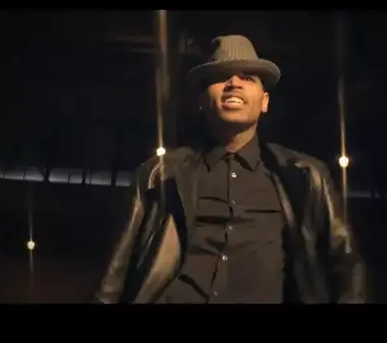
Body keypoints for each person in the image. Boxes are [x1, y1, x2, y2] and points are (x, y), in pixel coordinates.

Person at [93, 35, 366, 303]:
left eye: (247, 78)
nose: (234, 83)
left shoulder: (304, 175)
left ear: (265, 101)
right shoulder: (159, 174)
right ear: (201, 101)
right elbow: (117, 268)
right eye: (221, 77)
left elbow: (344, 262)